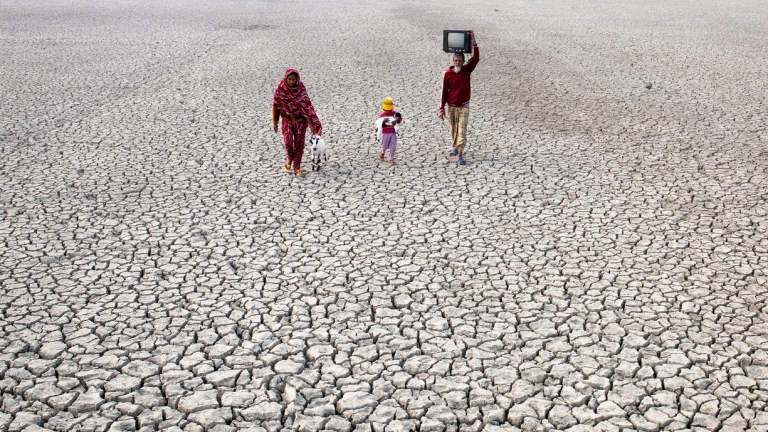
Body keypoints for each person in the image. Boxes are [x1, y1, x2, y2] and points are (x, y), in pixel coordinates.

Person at [439, 30, 479, 165]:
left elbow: (477, 58)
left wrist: (473, 40)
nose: (458, 62)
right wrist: (441, 109)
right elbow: (444, 91)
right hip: (451, 107)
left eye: (460, 60)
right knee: (453, 130)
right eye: (456, 60)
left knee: (462, 131)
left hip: (463, 107)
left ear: (463, 61)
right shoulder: (448, 74)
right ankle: (455, 147)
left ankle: (460, 154)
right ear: (453, 60)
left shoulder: (467, 70)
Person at [272, 68, 322, 176]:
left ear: (297, 79)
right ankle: (290, 159)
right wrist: (275, 122)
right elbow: (276, 106)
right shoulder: (281, 89)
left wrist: (311, 125)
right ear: (286, 79)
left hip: (300, 121)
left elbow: (307, 107)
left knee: (299, 144)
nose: (291, 81)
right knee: (288, 142)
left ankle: (297, 167)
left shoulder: (301, 90)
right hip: (287, 120)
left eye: (293, 79)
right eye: (289, 79)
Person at [376, 97, 403, 166]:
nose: (389, 111)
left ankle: (391, 159)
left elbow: (400, 119)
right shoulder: (382, 116)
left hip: (393, 133)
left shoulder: (395, 113)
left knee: (393, 146)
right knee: (384, 145)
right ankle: (382, 152)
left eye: (390, 110)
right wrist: (383, 122)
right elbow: (379, 125)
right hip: (385, 133)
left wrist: (396, 121)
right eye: (387, 110)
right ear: (384, 109)